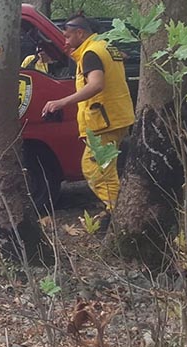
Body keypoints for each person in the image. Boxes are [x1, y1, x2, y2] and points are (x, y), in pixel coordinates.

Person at [41, 15, 135, 223]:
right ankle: (118, 213)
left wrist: (62, 102)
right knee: (106, 170)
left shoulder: (91, 53)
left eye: (67, 36)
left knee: (95, 170)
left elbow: (96, 84)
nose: (64, 41)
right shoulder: (105, 47)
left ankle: (120, 216)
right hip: (117, 117)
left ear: (80, 33)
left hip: (104, 120)